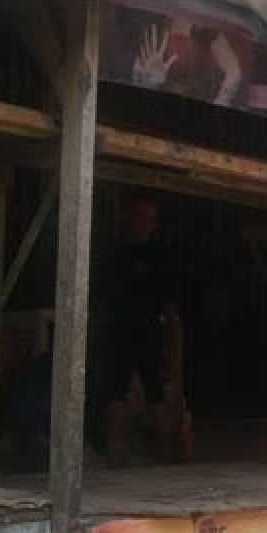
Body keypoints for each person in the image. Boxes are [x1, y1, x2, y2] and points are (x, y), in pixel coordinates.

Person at [103, 196, 180, 467]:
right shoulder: (116, 252)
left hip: (149, 335)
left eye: (151, 219)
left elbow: (171, 310)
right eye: (141, 217)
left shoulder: (159, 258)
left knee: (156, 397)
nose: (146, 224)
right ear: (129, 217)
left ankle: (169, 459)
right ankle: (115, 457)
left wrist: (172, 351)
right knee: (115, 395)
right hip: (119, 334)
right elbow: (105, 299)